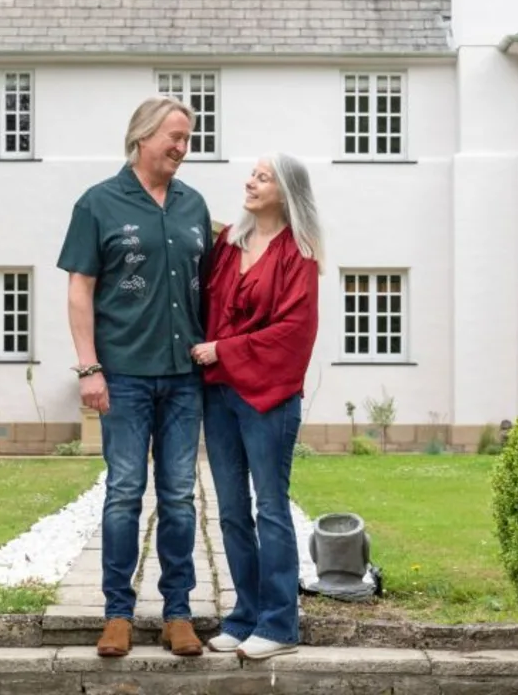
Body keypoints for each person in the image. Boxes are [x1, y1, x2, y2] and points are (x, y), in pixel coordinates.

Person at [57, 97, 214, 659]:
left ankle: (178, 614)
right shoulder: (98, 203)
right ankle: (117, 615)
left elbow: (212, 287)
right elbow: (80, 289)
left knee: (178, 497)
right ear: (142, 137)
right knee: (124, 494)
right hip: (121, 376)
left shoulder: (195, 206)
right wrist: (89, 366)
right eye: (173, 136)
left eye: (187, 139)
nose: (182, 147)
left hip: (183, 380)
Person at [190, 154, 321, 661]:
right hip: (220, 393)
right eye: (251, 174)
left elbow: (294, 331)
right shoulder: (229, 243)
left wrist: (226, 349)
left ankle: (280, 623)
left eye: (263, 177)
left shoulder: (299, 253)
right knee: (230, 512)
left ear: (285, 191)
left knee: (270, 507)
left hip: (268, 396)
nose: (250, 181)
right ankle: (244, 616)